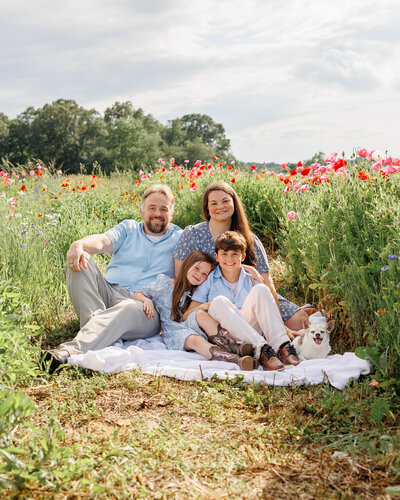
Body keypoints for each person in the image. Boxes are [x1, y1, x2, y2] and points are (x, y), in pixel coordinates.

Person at [41, 184, 182, 373]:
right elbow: (102, 241)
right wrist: (78, 244)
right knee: (81, 261)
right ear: (142, 211)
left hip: (145, 307)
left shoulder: (180, 238)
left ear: (171, 213)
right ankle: (98, 331)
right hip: (109, 292)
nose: (157, 213)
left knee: (129, 306)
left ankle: (69, 351)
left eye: (164, 209)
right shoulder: (128, 228)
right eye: (152, 208)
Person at [174, 180, 312, 339]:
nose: (220, 207)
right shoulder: (192, 234)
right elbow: (180, 274)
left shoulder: (249, 238)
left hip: (248, 295)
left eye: (225, 201)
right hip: (209, 297)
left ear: (234, 203)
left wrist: (279, 321)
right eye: (214, 203)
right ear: (207, 208)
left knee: (300, 322)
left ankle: (285, 324)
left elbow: (266, 282)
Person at [184, 231, 301, 370]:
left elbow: (267, 311)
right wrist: (208, 305)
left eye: (235, 254)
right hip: (228, 336)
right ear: (216, 256)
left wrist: (283, 328)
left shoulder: (251, 278)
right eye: (224, 254)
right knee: (219, 301)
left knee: (262, 289)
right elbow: (187, 315)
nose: (229, 259)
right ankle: (263, 349)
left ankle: (282, 346)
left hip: (250, 328)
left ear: (242, 256)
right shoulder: (209, 281)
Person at [132, 251, 255, 370]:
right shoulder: (166, 283)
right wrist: (146, 300)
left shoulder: (198, 291)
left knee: (200, 314)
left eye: (204, 274)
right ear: (187, 265)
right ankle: (238, 360)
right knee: (194, 340)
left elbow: (225, 268)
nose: (199, 275)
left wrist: (248, 268)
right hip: (173, 330)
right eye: (197, 269)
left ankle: (238, 347)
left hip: (193, 325)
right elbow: (137, 294)